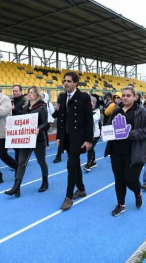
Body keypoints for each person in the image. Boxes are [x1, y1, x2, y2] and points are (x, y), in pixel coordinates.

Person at [104, 86, 146, 216]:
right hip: (116, 151)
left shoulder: (142, 112)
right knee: (119, 179)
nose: (125, 98)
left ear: (135, 97)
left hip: (134, 152)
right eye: (123, 95)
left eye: (128, 95)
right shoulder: (116, 111)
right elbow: (109, 126)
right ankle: (121, 205)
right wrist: (107, 133)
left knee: (130, 179)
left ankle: (138, 193)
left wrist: (129, 134)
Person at [56, 72, 93, 211]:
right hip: (67, 138)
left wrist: (89, 140)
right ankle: (81, 189)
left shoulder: (83, 97)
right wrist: (59, 136)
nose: (66, 83)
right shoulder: (63, 96)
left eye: (69, 81)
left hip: (78, 138)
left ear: (76, 83)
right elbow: (61, 119)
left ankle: (68, 197)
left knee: (71, 165)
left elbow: (89, 120)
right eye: (64, 81)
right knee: (75, 164)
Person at [5, 87, 50, 197]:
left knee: (41, 161)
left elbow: (46, 124)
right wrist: (11, 128)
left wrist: (39, 129)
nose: (29, 94)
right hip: (26, 139)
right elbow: (21, 121)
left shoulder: (42, 107)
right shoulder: (26, 107)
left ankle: (45, 181)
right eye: (28, 92)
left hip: (39, 140)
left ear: (37, 95)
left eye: (31, 93)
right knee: (21, 163)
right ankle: (16, 187)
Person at [84, 96, 101, 172]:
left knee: (90, 148)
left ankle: (88, 164)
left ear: (94, 103)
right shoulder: (86, 110)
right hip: (88, 133)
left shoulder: (97, 111)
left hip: (95, 134)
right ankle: (93, 162)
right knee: (91, 148)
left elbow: (94, 119)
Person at [11, 85, 27, 163]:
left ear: (21, 91)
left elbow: (24, 114)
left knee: (19, 148)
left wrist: (14, 109)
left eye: (16, 91)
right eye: (13, 91)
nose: (14, 92)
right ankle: (19, 162)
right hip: (13, 127)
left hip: (21, 127)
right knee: (15, 147)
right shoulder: (12, 101)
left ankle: (18, 163)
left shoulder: (24, 101)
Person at [52, 92, 65, 163]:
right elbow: (54, 116)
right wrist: (57, 110)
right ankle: (59, 155)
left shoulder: (66, 106)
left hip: (65, 126)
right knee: (60, 140)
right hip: (60, 126)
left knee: (61, 140)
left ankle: (59, 156)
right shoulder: (60, 106)